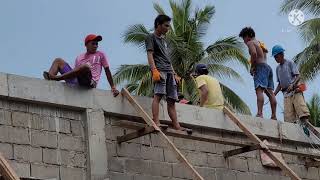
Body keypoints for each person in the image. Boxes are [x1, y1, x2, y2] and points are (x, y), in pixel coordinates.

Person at [43, 34, 119, 97]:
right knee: (58, 60)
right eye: (93, 43)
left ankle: (58, 78)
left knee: (86, 66)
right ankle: (50, 78)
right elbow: (75, 72)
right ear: (86, 45)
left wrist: (113, 87)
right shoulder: (79, 57)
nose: (95, 46)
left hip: (89, 83)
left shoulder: (100, 54)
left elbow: (107, 71)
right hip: (76, 81)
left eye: (97, 44)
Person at [145, 14, 184, 130]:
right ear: (158, 24)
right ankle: (156, 121)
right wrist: (154, 71)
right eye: (166, 26)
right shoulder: (150, 37)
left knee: (171, 100)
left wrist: (174, 73)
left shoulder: (164, 40)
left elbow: (167, 59)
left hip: (169, 72)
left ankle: (177, 125)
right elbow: (150, 55)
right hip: (160, 71)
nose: (168, 28)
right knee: (158, 96)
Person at [239, 27, 277, 120]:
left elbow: (254, 54)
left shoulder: (250, 42)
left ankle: (260, 114)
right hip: (268, 68)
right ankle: (273, 116)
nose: (244, 41)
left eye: (244, 38)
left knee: (259, 90)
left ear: (248, 36)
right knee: (270, 93)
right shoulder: (260, 43)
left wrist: (252, 67)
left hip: (260, 67)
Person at [272, 45, 310, 124]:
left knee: (302, 113)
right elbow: (280, 84)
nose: (275, 58)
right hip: (286, 94)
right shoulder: (277, 68)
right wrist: (274, 94)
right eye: (274, 57)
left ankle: (306, 124)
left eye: (276, 56)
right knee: (289, 119)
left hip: (295, 91)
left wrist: (292, 84)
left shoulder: (290, 63)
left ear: (282, 54)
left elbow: (298, 76)